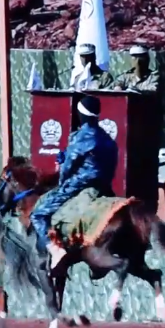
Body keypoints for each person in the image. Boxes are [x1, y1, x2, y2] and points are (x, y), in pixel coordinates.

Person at [30, 95, 118, 271]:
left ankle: (54, 249)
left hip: (79, 185)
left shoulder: (82, 136)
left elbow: (69, 166)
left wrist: (62, 182)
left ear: (81, 115)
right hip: (105, 186)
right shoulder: (108, 138)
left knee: (37, 214)